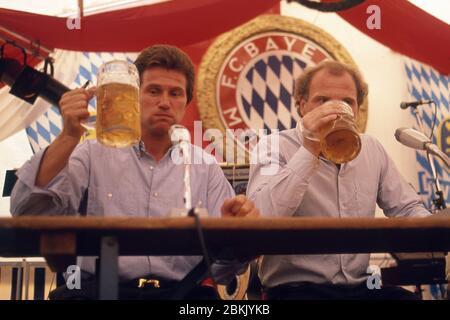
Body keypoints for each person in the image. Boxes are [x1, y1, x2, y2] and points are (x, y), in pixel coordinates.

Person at [10, 44, 259, 300]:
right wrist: (68, 135)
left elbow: (222, 272)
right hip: (101, 292)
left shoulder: (205, 168)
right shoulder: (90, 153)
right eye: (153, 91)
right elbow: (26, 213)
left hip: (182, 293)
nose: (164, 102)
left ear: (186, 102)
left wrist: (239, 237)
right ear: (134, 95)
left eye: (175, 93)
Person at [246, 60, 431, 300]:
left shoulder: (372, 148)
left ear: (356, 109)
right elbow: (260, 219)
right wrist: (310, 149)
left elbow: (407, 208)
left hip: (362, 287)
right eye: (322, 101)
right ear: (302, 106)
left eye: (346, 102)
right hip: (296, 289)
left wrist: (436, 230)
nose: (335, 110)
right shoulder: (273, 145)